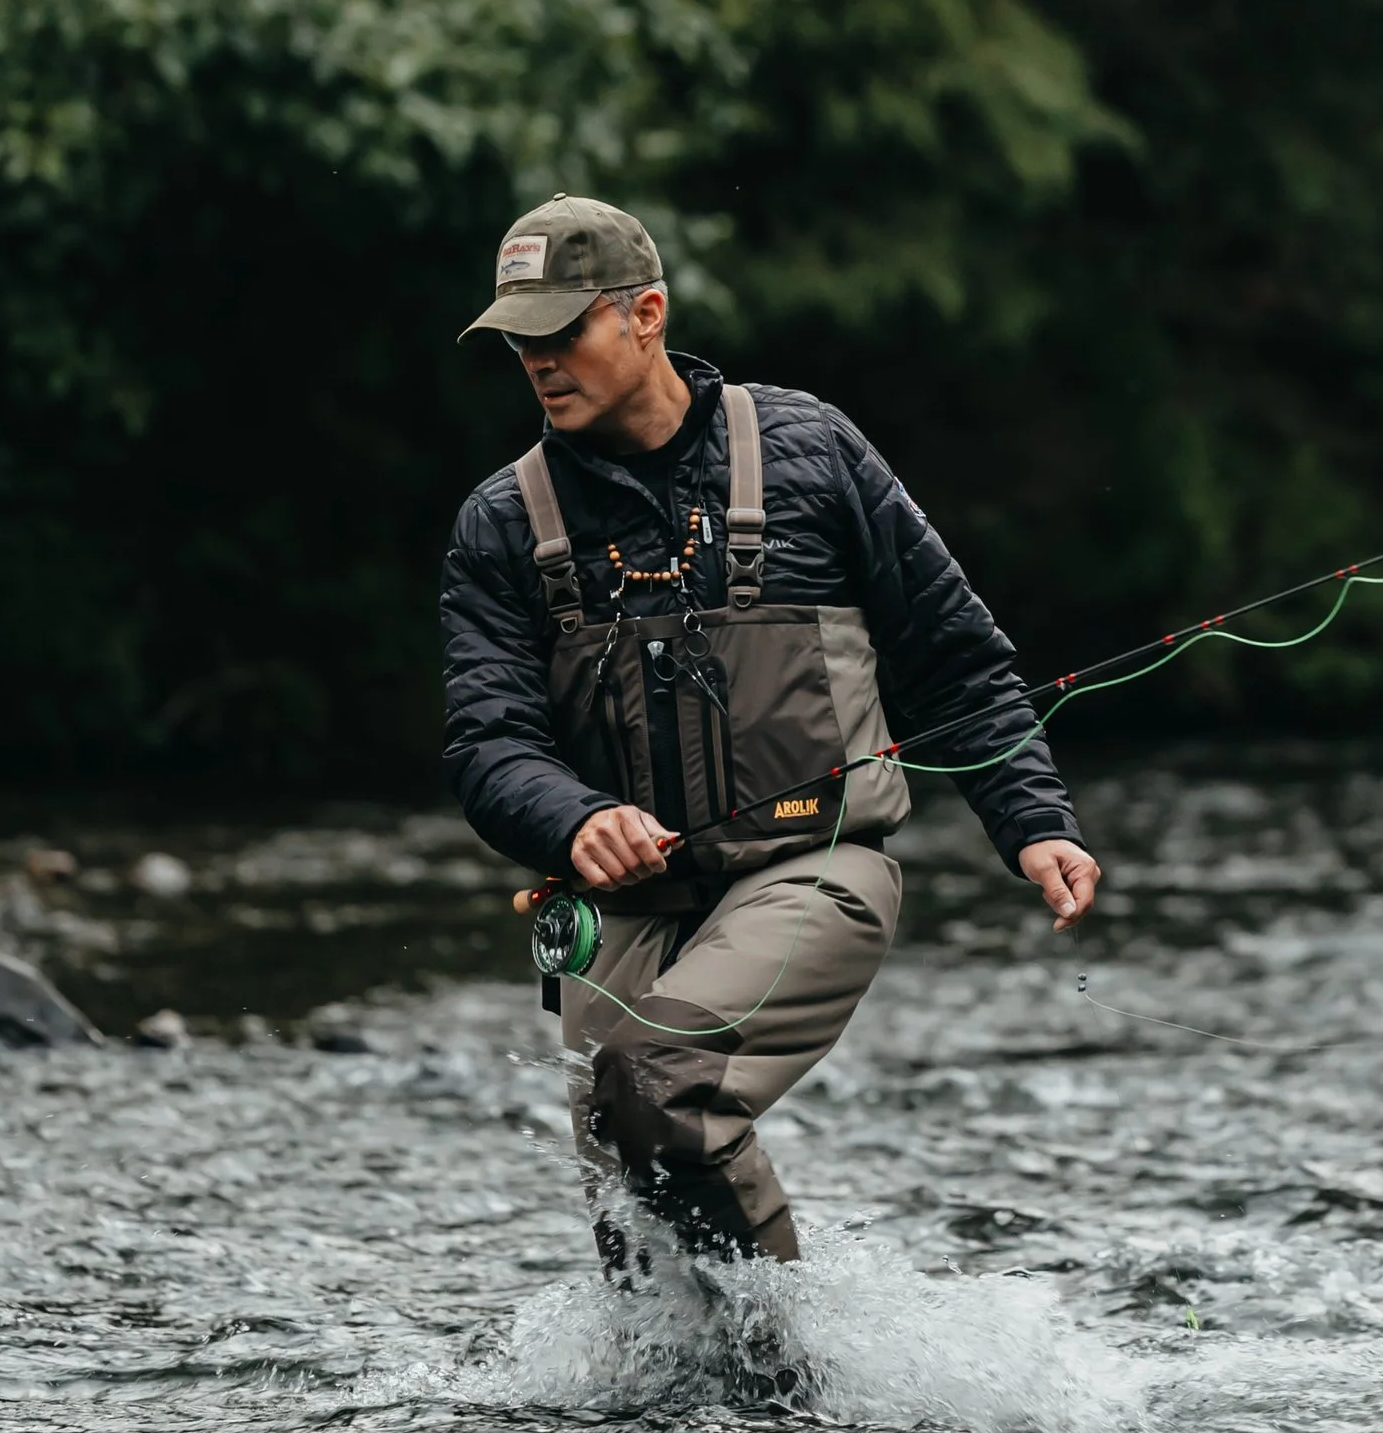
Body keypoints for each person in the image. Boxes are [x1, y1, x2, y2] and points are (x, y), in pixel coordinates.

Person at [441, 191, 1099, 1274]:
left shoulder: (807, 449)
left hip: (813, 869)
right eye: (519, 341)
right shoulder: (501, 523)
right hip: (624, 909)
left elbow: (952, 655)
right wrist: (575, 818)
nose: (539, 362)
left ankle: (791, 1385)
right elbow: (485, 743)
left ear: (644, 312)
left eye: (562, 332)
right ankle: (711, 1428)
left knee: (661, 1084)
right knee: (637, 1223)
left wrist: (1032, 823)